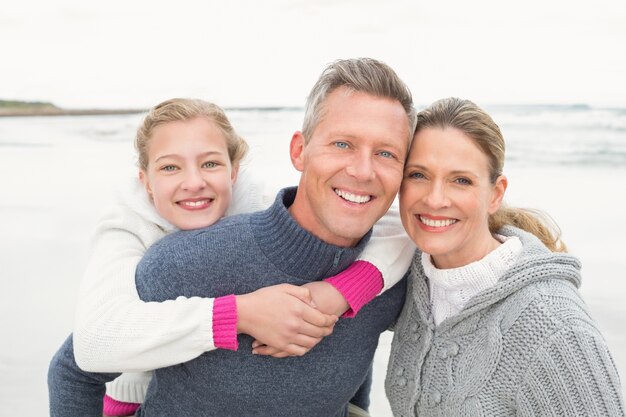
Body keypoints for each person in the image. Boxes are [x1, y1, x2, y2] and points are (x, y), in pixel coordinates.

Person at [48, 57, 416, 417]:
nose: (363, 170)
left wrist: (347, 291)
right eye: (343, 144)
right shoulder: (181, 260)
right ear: (299, 151)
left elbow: (354, 357)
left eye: (386, 153)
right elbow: (77, 368)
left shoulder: (393, 277)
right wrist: (235, 314)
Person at [385, 97, 625, 416]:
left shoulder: (555, 328)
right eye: (418, 175)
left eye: (461, 180)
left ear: (495, 194)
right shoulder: (412, 274)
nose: (435, 198)